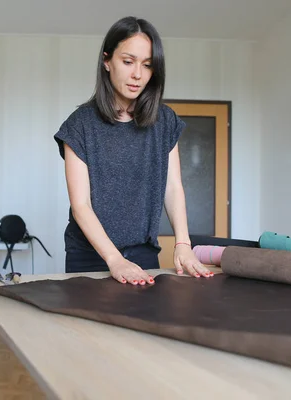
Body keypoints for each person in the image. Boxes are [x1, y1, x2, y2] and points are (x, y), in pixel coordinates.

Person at [53, 16, 213, 286]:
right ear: (107, 61)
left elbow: (172, 188)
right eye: (128, 62)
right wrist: (114, 260)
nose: (138, 74)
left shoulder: (165, 121)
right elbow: (81, 205)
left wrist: (182, 244)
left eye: (147, 65)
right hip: (90, 256)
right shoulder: (79, 125)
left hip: (143, 254)